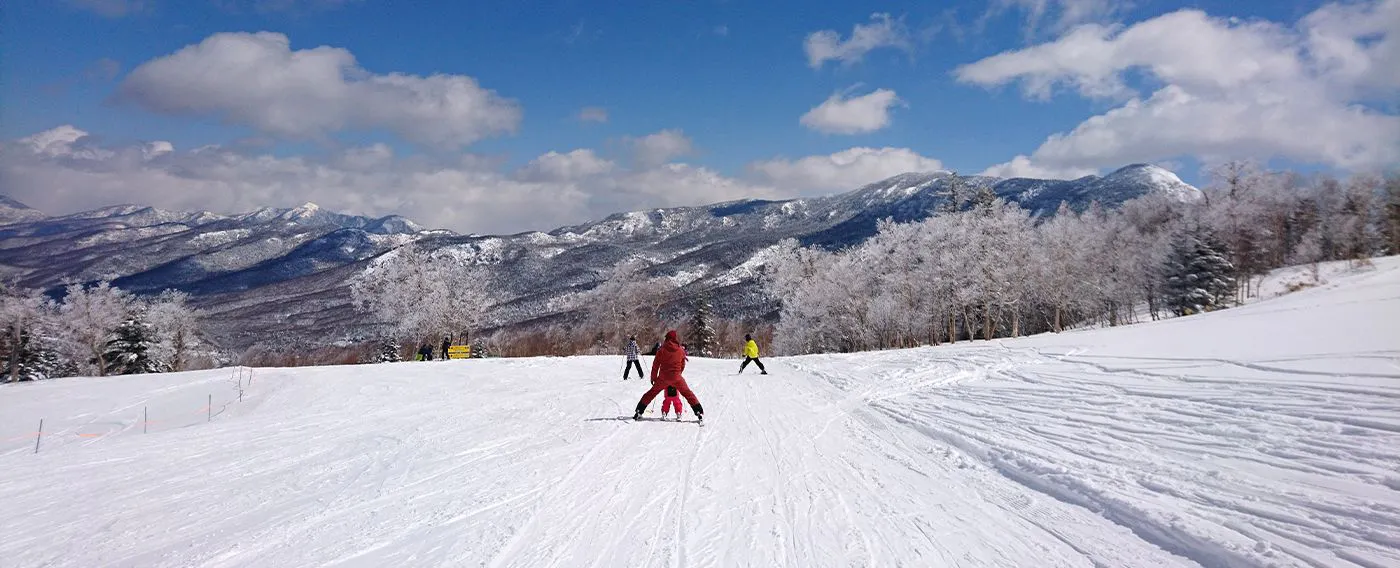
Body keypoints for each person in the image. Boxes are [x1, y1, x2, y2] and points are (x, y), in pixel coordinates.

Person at [633, 330, 703, 422]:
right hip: (677, 378)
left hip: (663, 378)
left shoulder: (661, 350)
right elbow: (682, 365)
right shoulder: (680, 350)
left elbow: (655, 365)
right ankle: (698, 412)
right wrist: (678, 374)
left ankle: (639, 411)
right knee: (688, 393)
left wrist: (653, 378)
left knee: (651, 393)